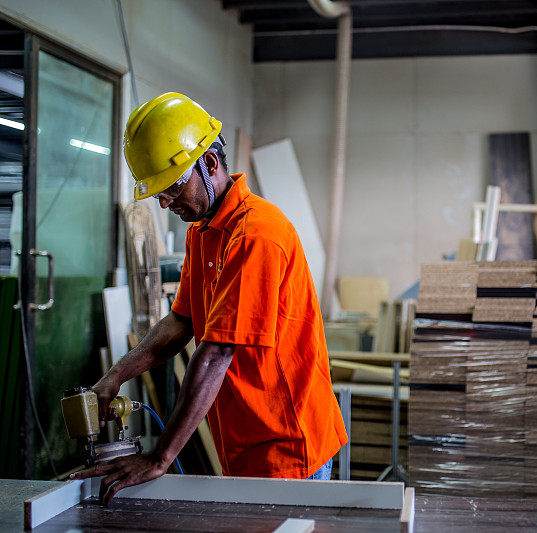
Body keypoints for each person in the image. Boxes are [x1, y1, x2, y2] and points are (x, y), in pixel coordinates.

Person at [73, 92, 347, 504]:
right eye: (158, 194)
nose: (165, 203)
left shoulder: (257, 234)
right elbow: (180, 322)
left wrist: (161, 458)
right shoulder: (203, 232)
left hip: (287, 445)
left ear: (211, 164)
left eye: (171, 188)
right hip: (245, 439)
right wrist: (115, 377)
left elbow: (217, 352)